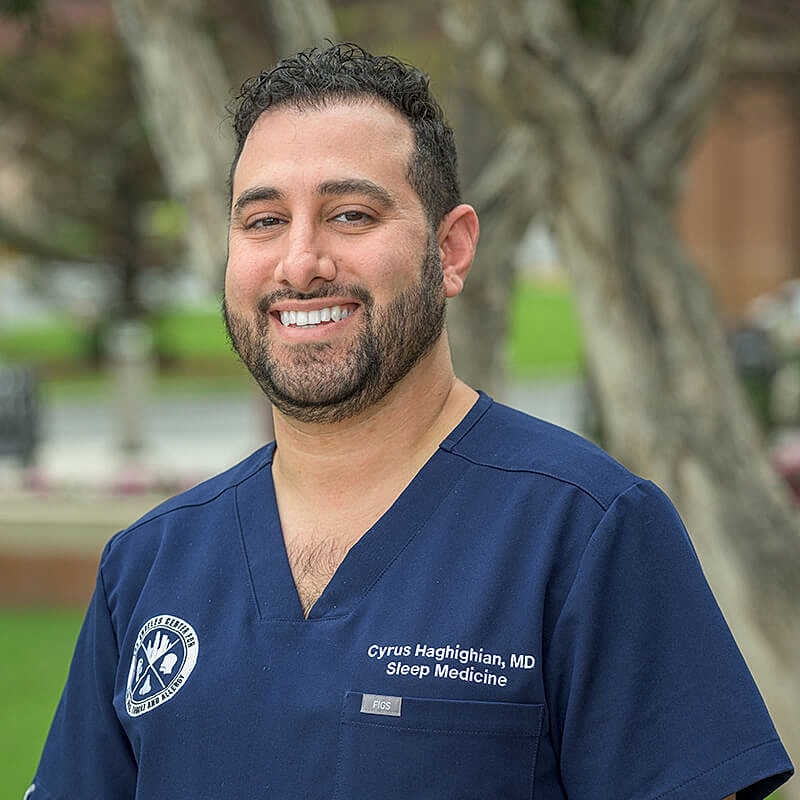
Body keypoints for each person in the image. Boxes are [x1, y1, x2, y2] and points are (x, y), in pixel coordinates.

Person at [27, 42, 793, 800]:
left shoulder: (587, 532)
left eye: (350, 214)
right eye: (263, 221)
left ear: (452, 249)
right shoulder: (149, 565)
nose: (300, 262)